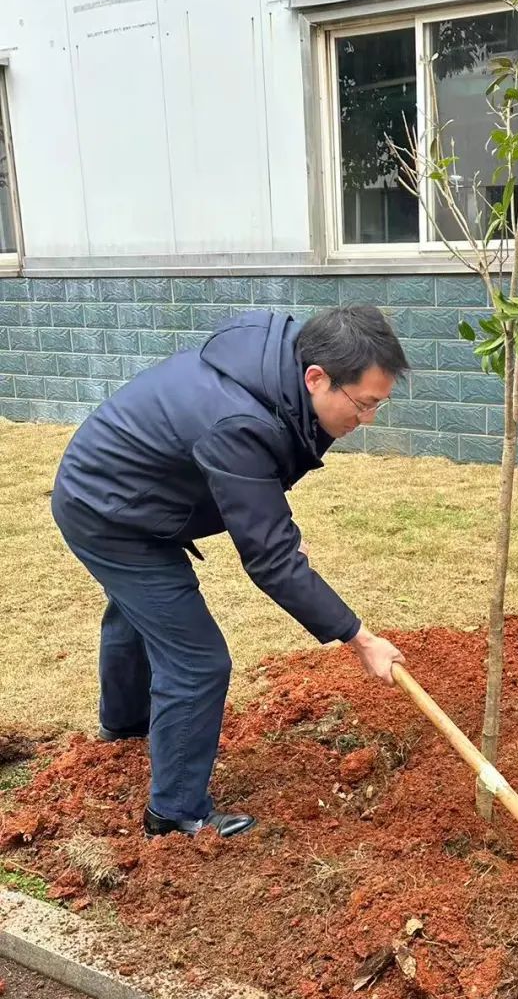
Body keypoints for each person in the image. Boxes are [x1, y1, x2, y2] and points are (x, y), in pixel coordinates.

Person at [52, 304, 408, 840]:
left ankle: (124, 728)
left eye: (379, 404)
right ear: (316, 377)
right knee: (197, 661)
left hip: (126, 491)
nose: (368, 419)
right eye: (364, 404)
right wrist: (359, 638)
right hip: (108, 512)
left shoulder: (277, 367)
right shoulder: (241, 421)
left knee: (141, 612)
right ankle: (175, 813)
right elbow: (270, 557)